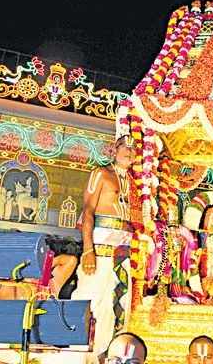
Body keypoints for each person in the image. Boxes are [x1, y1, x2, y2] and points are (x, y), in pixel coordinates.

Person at [72, 135, 135, 362]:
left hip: (123, 255)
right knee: (92, 301)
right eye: (124, 147)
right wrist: (88, 250)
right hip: (99, 252)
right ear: (114, 150)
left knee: (118, 307)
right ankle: (82, 357)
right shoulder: (101, 173)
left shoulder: (134, 183)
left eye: (133, 148)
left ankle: (107, 357)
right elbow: (88, 210)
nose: (129, 152)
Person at [0, 254, 77, 345]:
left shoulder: (51, 282)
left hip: (46, 345)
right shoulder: (10, 287)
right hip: (17, 345)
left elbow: (71, 260)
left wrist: (47, 265)